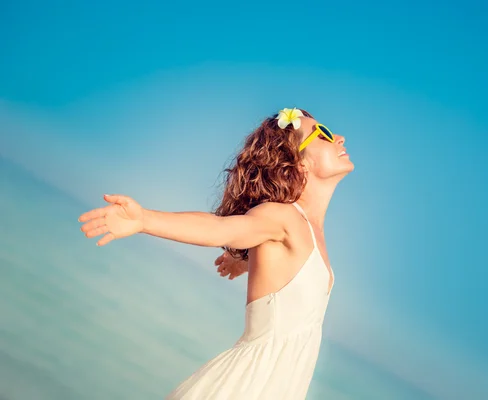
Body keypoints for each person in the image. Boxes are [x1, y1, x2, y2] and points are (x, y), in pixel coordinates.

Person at [78, 108, 354, 399]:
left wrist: (246, 260)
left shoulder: (304, 232)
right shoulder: (283, 217)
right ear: (299, 163)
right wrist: (145, 220)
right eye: (322, 133)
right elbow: (220, 228)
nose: (338, 137)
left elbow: (287, 273)